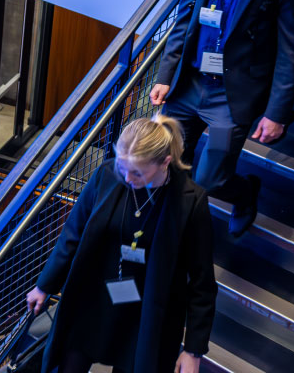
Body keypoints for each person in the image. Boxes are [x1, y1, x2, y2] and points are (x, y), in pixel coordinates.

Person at [150, 0, 294, 238]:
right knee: (165, 160)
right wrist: (165, 74)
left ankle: (245, 191)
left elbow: (293, 52)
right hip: (190, 83)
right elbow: (184, 22)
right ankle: (171, 233)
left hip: (232, 94)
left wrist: (277, 113)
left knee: (210, 179)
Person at [23, 115, 216, 373]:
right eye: (123, 168)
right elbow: (72, 234)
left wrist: (193, 350)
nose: (126, 178)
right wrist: (44, 285)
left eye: (137, 172)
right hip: (95, 298)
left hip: (147, 312)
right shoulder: (107, 175)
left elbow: (202, 283)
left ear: (165, 163)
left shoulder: (190, 201)